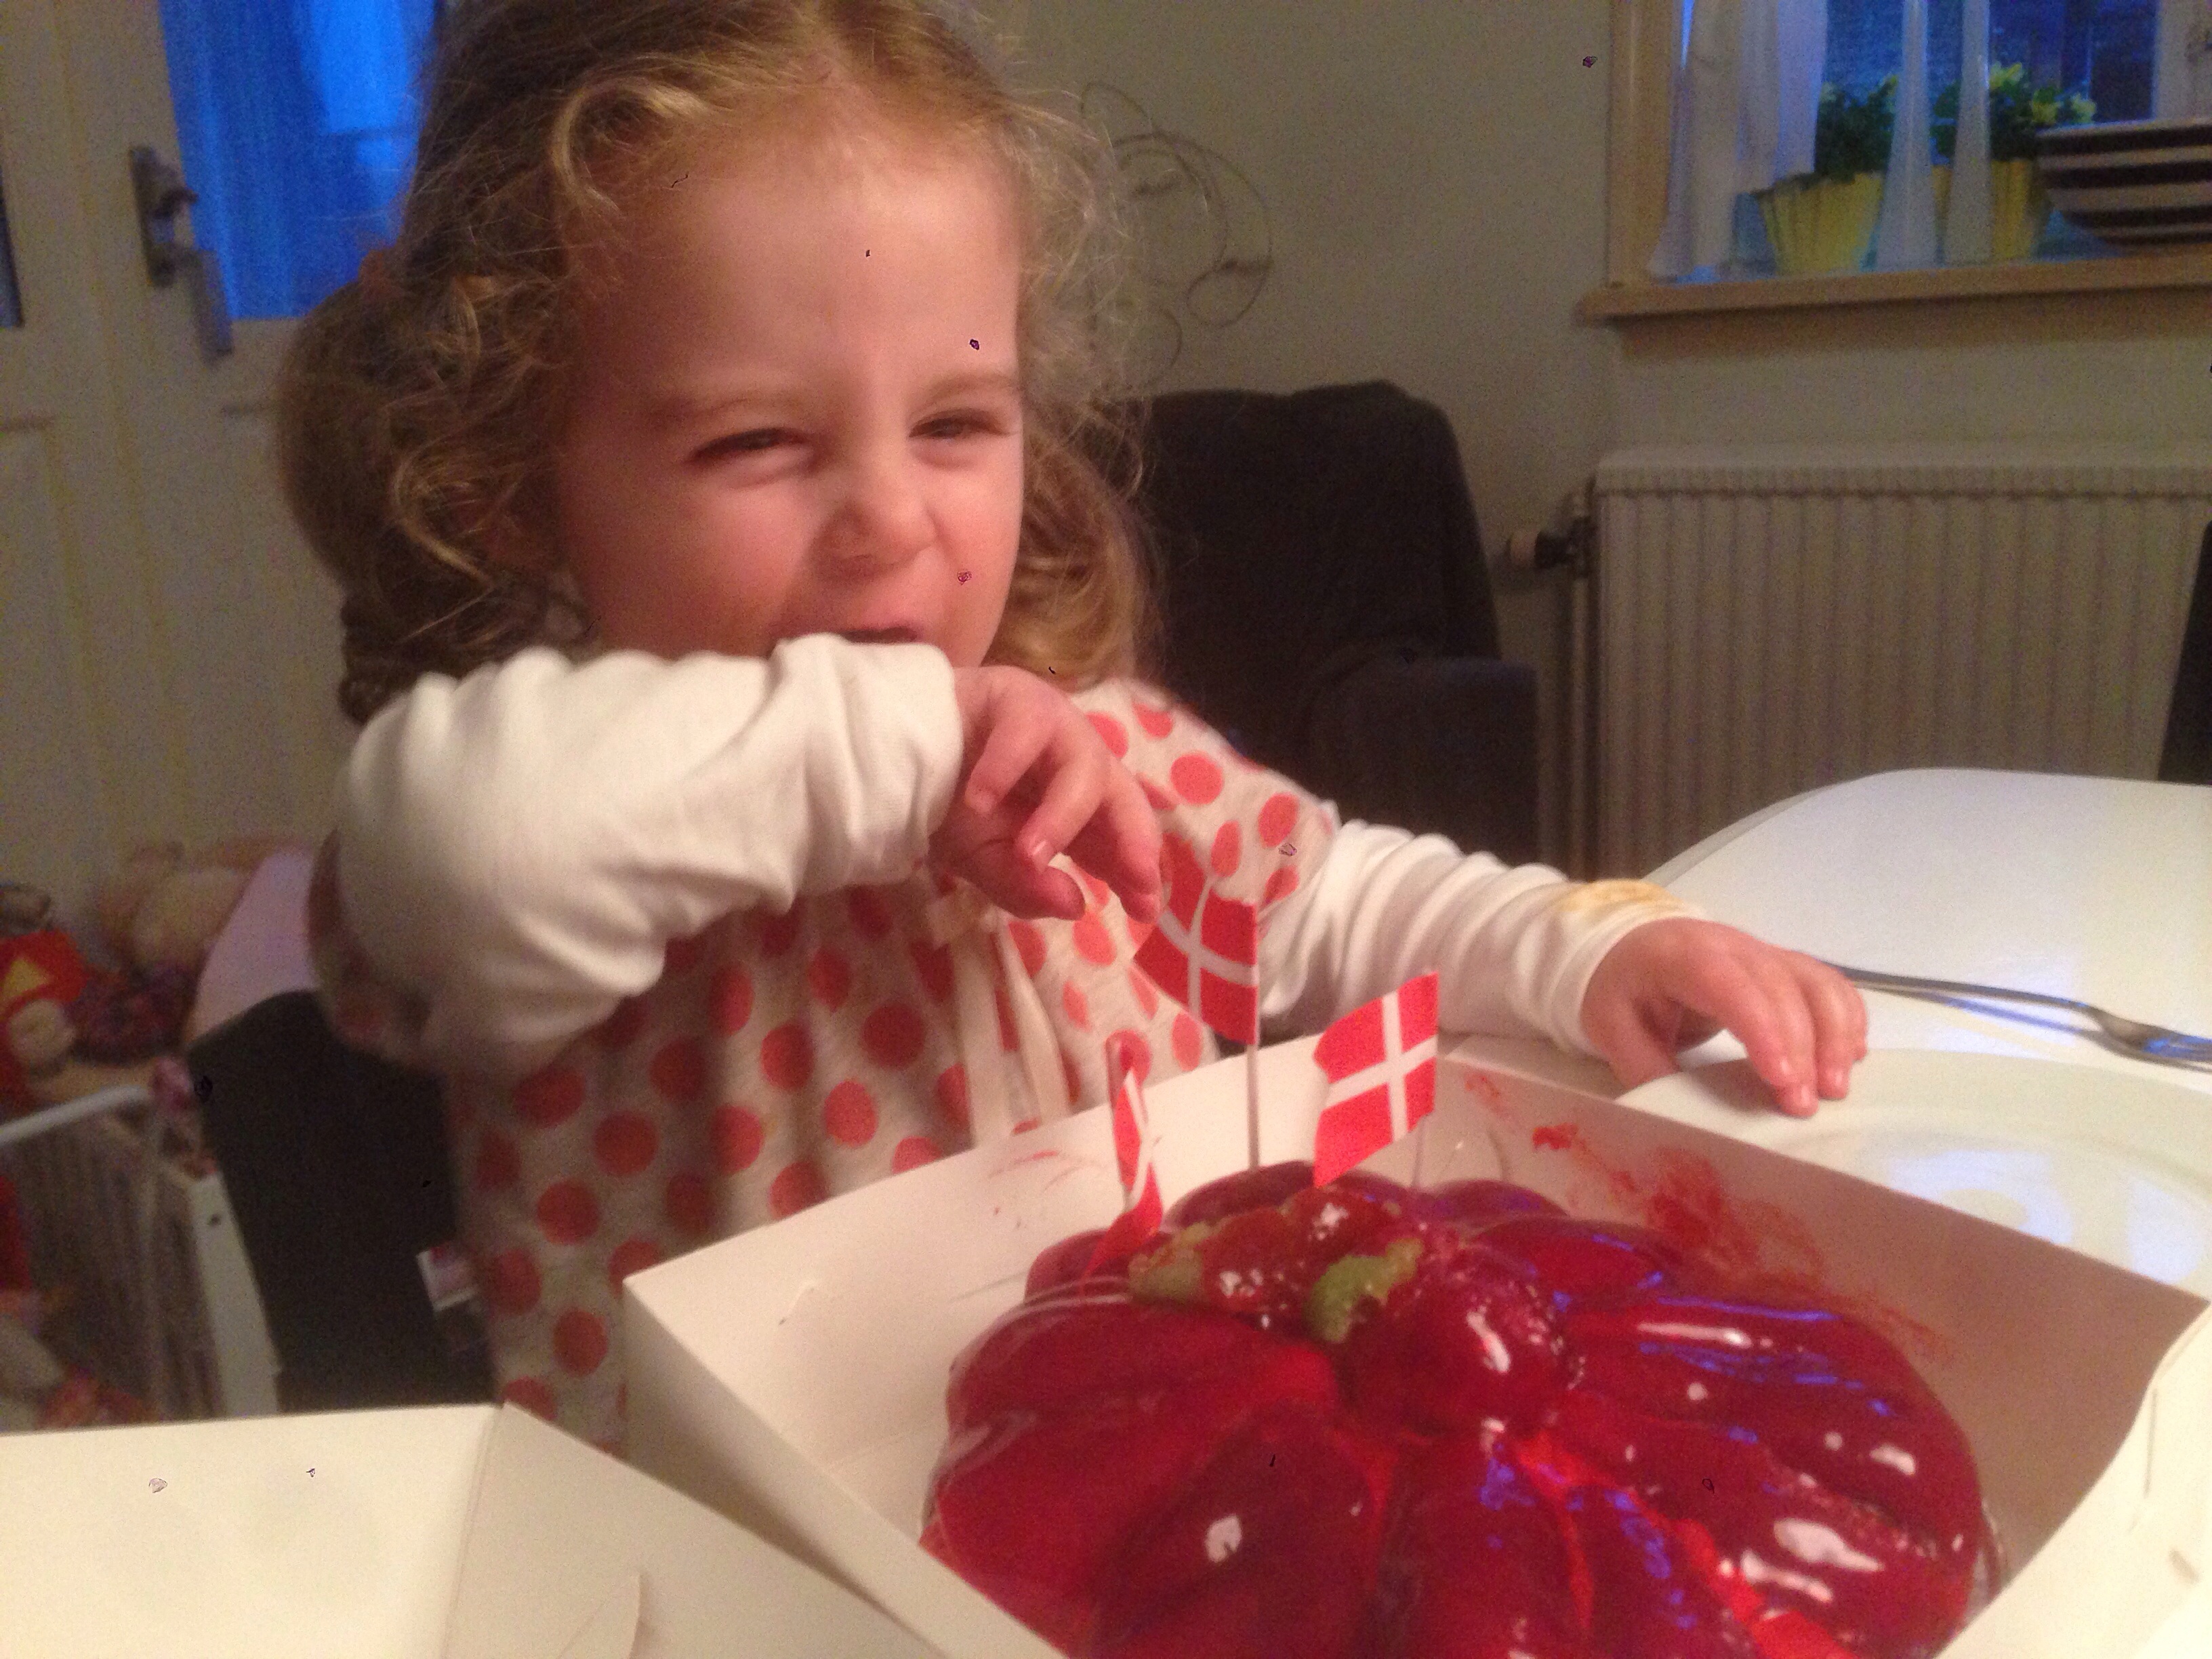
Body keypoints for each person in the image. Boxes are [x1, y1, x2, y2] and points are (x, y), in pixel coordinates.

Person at [277, 0, 1865, 1449]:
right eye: (755, 442)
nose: (892, 520)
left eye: (957, 421)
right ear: (515, 481)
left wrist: (1583, 950)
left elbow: (1330, 901)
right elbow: (471, 850)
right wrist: (907, 750)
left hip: (1125, 1485)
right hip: (738, 1571)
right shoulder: (577, 812)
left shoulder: (1097, 755)